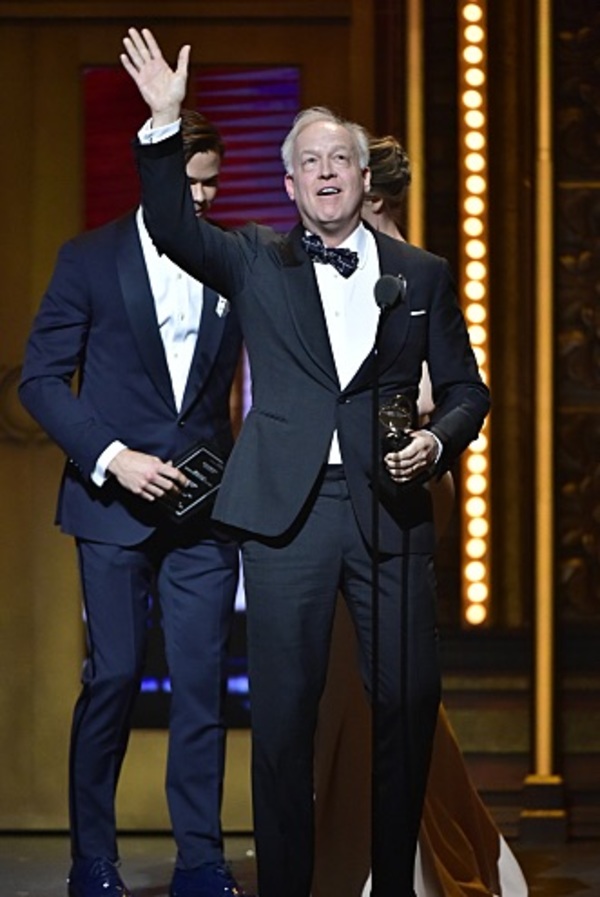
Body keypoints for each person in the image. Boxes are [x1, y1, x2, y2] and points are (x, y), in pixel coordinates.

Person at [120, 27, 491, 897]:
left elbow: (468, 390)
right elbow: (172, 225)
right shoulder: (253, 257)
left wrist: (437, 442)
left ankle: (393, 885)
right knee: (283, 724)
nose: (326, 172)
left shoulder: (423, 272)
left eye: (341, 160)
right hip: (286, 517)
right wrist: (165, 124)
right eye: (309, 161)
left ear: (365, 180)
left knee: (404, 708)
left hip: (391, 512)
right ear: (288, 185)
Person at [19, 110, 247, 897]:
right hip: (111, 505)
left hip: (205, 513)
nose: (205, 199)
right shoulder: (88, 258)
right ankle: (94, 859)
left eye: (214, 184)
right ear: (155, 178)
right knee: (114, 677)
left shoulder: (232, 261)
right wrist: (115, 459)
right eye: (191, 184)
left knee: (200, 683)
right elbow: (41, 379)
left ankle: (203, 862)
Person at [312, 135, 528, 897]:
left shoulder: (412, 270)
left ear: (371, 192)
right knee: (346, 690)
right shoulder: (324, 265)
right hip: (330, 500)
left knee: (390, 688)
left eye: (339, 179)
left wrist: (390, 414)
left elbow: (449, 388)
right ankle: (356, 864)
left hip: (397, 487)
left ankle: (420, 862)